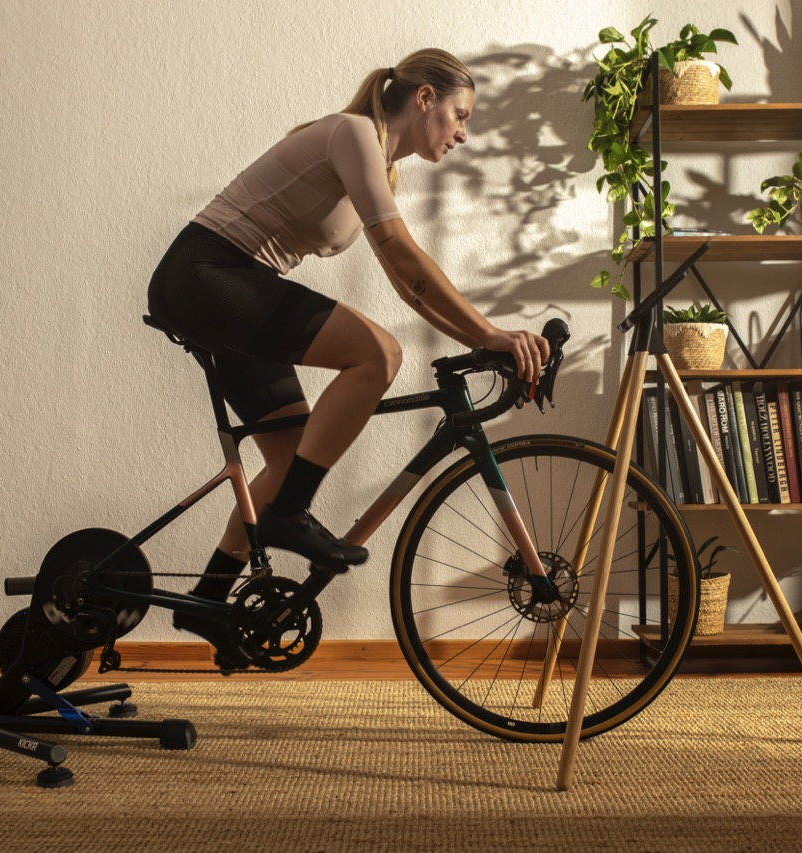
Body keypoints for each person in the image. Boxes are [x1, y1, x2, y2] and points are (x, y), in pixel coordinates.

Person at [147, 48, 549, 649]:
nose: (463, 133)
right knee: (378, 355)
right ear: (424, 99)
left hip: (229, 285)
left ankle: (207, 600)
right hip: (208, 274)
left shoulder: (381, 164)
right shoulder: (355, 133)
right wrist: (490, 335)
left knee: (286, 460)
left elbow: (405, 282)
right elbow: (403, 252)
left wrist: (480, 341)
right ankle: (288, 516)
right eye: (460, 115)